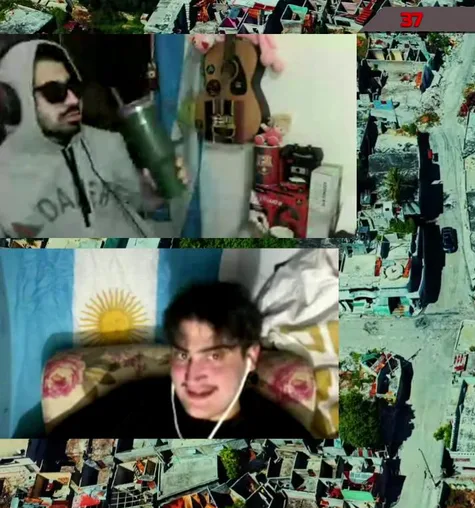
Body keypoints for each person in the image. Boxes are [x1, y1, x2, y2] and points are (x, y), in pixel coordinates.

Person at [48, 282, 312, 441]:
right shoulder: (133, 403)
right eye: (183, 355)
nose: (192, 375)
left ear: (251, 356)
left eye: (214, 355)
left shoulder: (281, 432)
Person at [0, 39, 187, 238]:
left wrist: (155, 190)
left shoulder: (108, 143)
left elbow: (138, 204)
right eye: (54, 92)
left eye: (73, 87)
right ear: (16, 102)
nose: (73, 100)